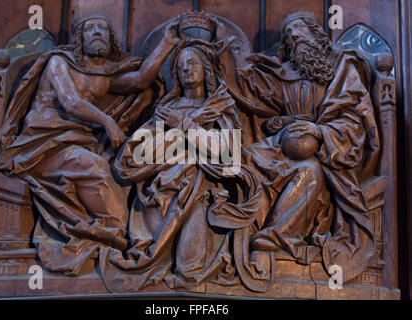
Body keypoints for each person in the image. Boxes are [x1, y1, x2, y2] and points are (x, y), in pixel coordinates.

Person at [0, 14, 180, 275]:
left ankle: (117, 236)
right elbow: (70, 101)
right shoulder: (59, 62)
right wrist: (107, 122)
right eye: (90, 29)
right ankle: (113, 237)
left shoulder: (104, 76)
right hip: (41, 146)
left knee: (126, 168)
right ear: (79, 39)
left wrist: (167, 42)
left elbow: (140, 80)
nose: (97, 32)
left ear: (111, 40)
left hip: (75, 143)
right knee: (94, 168)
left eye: (102, 28)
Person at [220, 12, 380, 289]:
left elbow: (355, 120)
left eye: (298, 30)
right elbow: (251, 92)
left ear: (316, 34)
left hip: (327, 153)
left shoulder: (342, 68)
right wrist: (229, 56)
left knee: (309, 174)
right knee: (241, 161)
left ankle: (271, 238)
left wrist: (320, 132)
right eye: (288, 36)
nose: (294, 36)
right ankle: (223, 236)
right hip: (283, 144)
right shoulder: (283, 75)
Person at [106, 39, 263, 291]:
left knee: (193, 171)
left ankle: (188, 267)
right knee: (190, 166)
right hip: (160, 189)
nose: (186, 69)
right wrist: (190, 126)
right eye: (180, 66)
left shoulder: (220, 107)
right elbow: (142, 154)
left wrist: (185, 126)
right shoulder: (167, 108)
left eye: (192, 63)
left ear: (206, 69)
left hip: (203, 189)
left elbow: (228, 154)